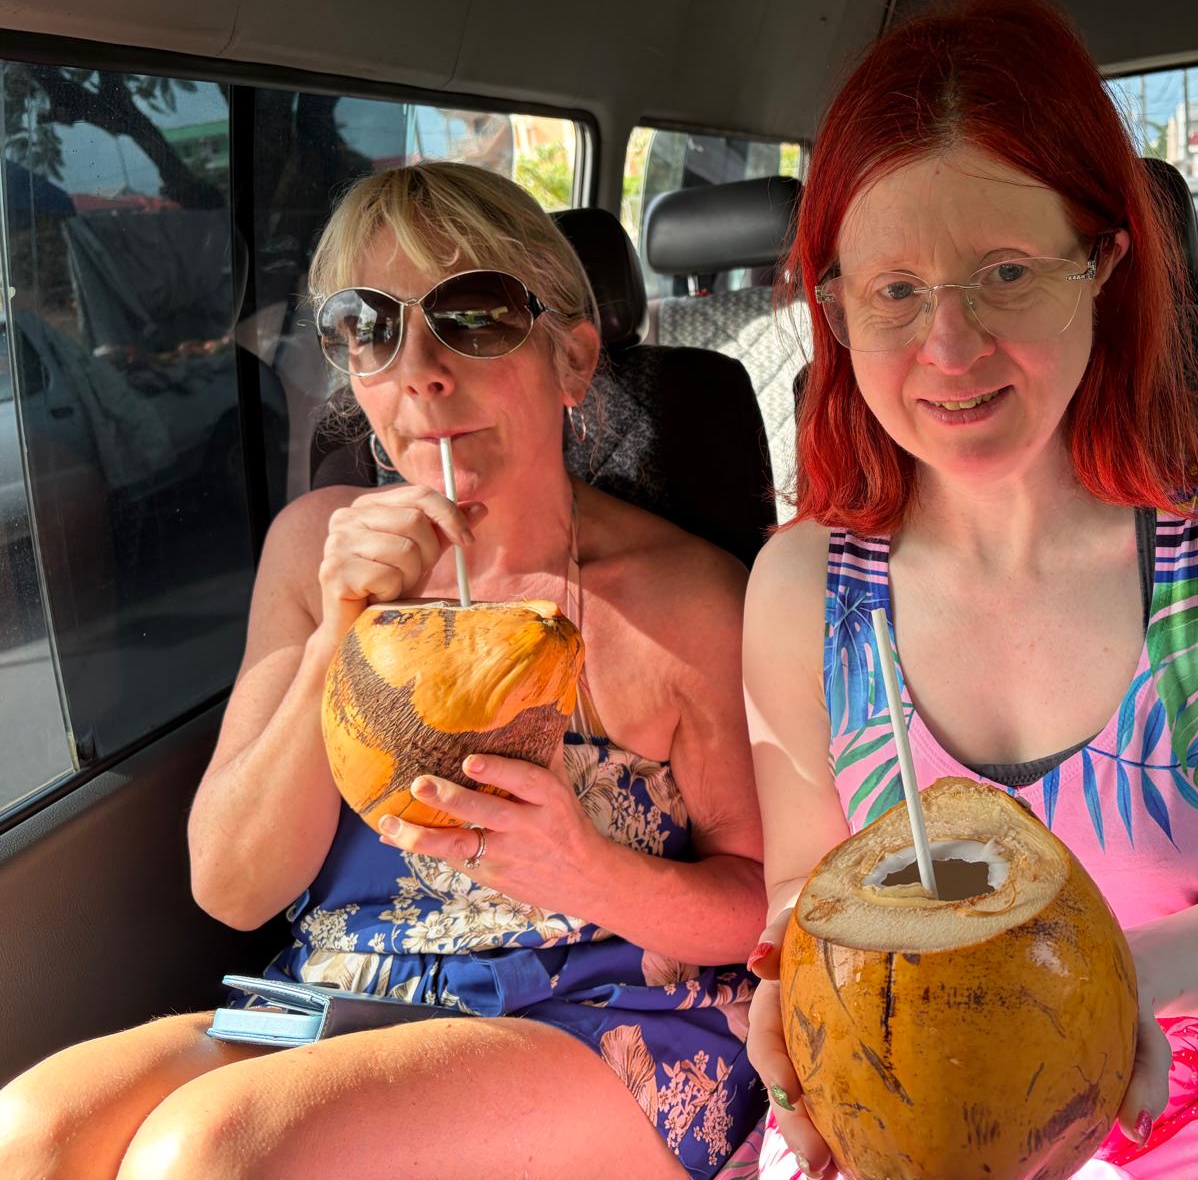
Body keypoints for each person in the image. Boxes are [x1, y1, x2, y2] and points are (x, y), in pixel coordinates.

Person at [740, 0, 1198, 1179]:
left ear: (1103, 263)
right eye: (894, 291)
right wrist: (792, 1009)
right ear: (835, 306)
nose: (948, 348)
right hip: (906, 1099)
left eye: (1005, 271)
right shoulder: (803, 585)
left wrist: (1114, 984)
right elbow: (808, 893)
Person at [0, 161, 767, 1180]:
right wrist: (340, 635)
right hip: (345, 991)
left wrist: (589, 869)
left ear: (571, 356)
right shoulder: (312, 552)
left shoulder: (686, 602)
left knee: (211, 1157)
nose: (419, 370)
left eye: (475, 315)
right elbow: (233, 886)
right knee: (35, 1134)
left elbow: (762, 905)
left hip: (607, 1013)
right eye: (368, 326)